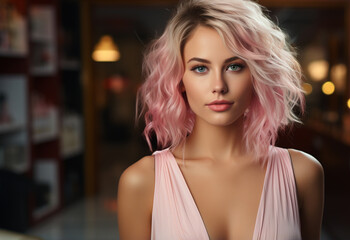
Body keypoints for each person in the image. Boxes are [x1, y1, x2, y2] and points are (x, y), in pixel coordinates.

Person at [117, 0, 324, 239]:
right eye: (200, 69)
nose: (219, 86)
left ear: (257, 75)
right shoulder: (141, 182)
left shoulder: (303, 174)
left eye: (234, 66)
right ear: (180, 79)